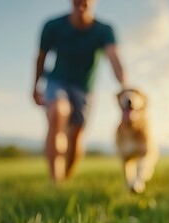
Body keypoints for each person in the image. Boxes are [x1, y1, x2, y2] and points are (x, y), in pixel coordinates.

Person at [32, 0, 126, 182]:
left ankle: (66, 178)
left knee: (75, 137)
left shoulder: (104, 30)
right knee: (58, 112)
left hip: (84, 90)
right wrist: (35, 86)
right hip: (57, 81)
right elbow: (41, 57)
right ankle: (55, 181)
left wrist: (124, 86)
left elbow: (114, 57)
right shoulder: (53, 25)